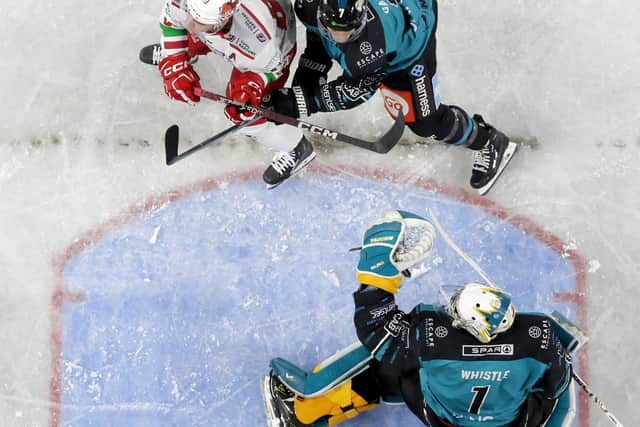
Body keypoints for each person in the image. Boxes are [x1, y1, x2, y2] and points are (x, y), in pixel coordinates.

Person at [262, 210, 575, 427]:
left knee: (385, 366)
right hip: (508, 423)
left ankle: (306, 409)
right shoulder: (540, 337)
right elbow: (555, 388)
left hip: (439, 417)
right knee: (543, 386)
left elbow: (376, 329)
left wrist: (378, 273)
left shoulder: (432, 334)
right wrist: (560, 352)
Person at [261, 0, 517, 194]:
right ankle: (294, 146)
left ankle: (488, 141)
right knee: (299, 94)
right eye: (333, 29)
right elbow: (317, 43)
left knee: (425, 122)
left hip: (410, 48)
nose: (339, 38)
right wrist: (298, 95)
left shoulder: (373, 45)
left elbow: (354, 91)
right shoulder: (309, 5)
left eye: (349, 31)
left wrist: (299, 102)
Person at [140, 0, 316, 188]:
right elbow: (173, 18)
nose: (190, 21)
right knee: (189, 33)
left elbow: (275, 67)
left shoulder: (261, 41)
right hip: (227, 31)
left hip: (269, 57)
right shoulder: (190, 6)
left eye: (200, 20)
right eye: (192, 11)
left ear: (223, 19)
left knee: (241, 116)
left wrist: (253, 87)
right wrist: (174, 58)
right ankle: (187, 50)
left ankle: (295, 147)